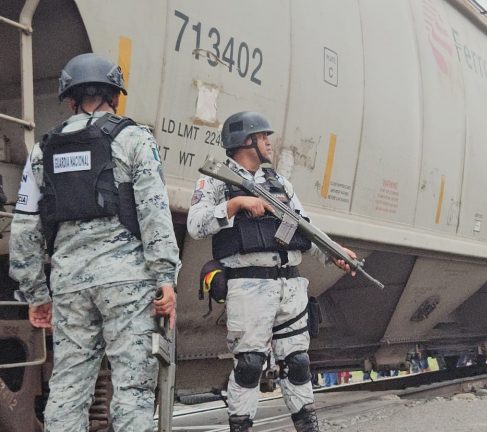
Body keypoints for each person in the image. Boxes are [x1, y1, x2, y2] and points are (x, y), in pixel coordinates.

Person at [9, 53, 180, 432]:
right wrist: (165, 277)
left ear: (69, 99)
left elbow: (24, 228)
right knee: (132, 387)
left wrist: (36, 294)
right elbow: (154, 212)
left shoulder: (42, 150)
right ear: (114, 96)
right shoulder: (135, 139)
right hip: (127, 283)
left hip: (69, 285)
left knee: (68, 388)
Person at [187, 111, 358, 432]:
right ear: (245, 141)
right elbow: (195, 225)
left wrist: (334, 253)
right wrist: (235, 205)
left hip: (289, 286)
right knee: (249, 365)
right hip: (248, 287)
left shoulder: (279, 184)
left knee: (299, 363)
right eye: (263, 136)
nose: (269, 142)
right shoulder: (216, 180)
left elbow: (306, 228)